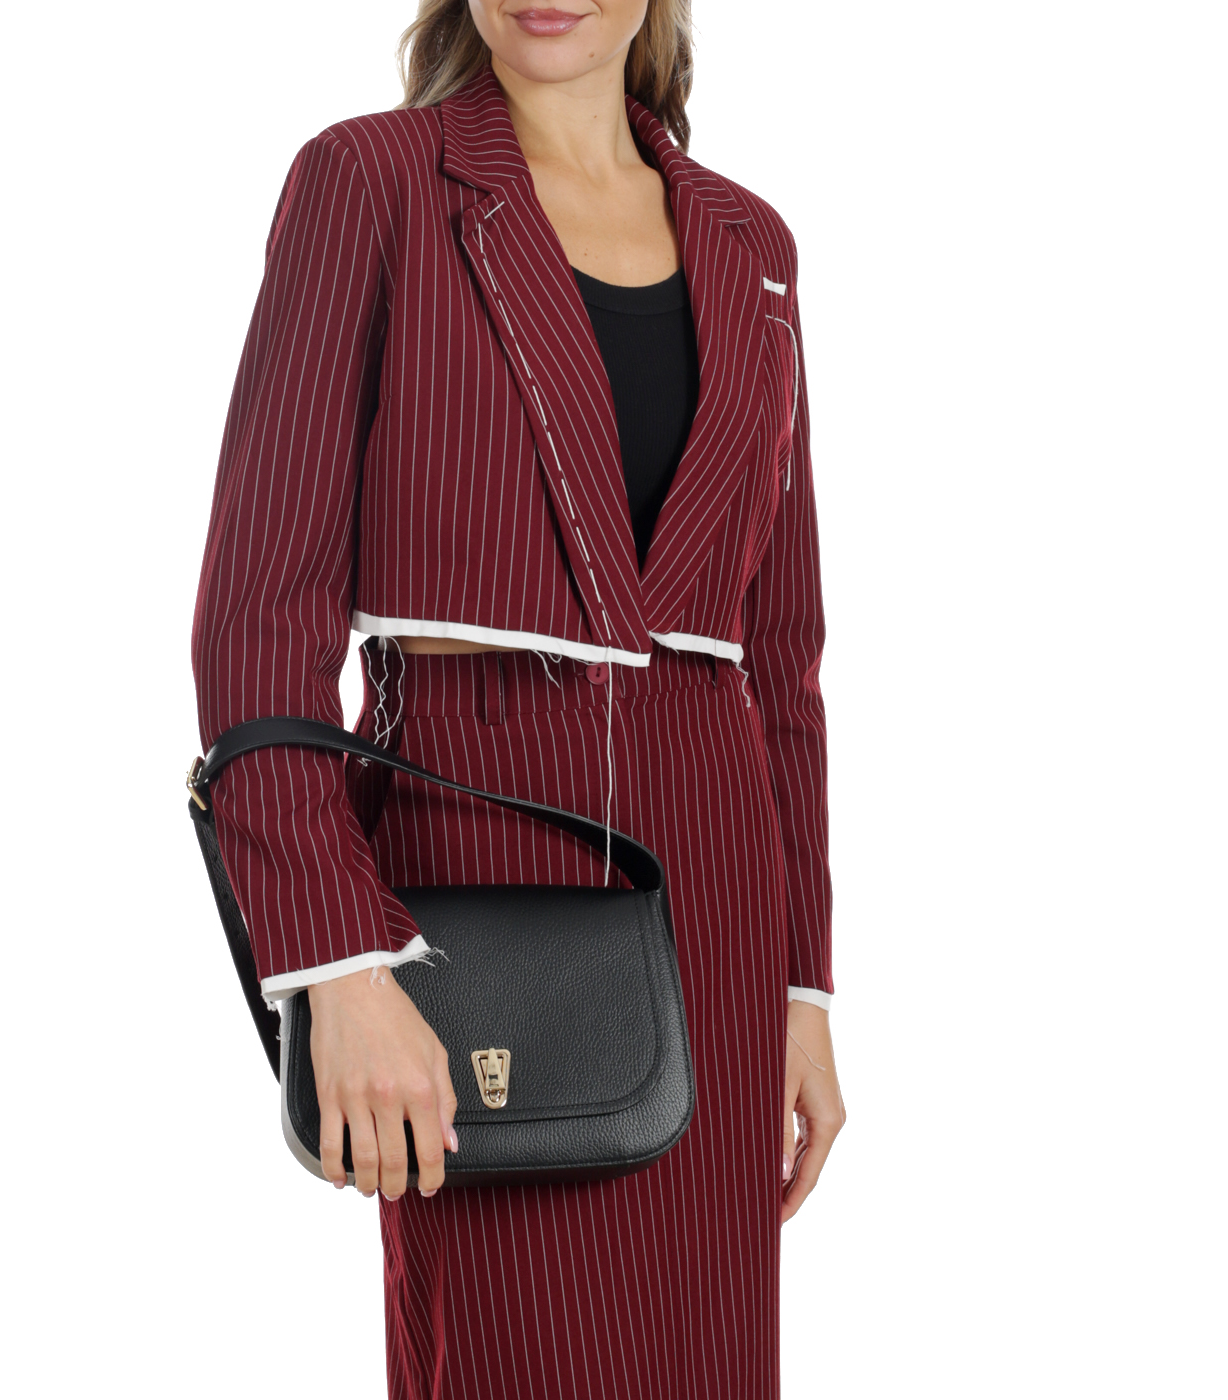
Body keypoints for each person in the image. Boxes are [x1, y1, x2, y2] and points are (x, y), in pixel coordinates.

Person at [191, 2, 845, 1394]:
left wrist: (802, 984)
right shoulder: (369, 182)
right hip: (469, 865)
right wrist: (335, 959)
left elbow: (781, 658)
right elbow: (260, 610)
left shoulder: (754, 245)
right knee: (502, 1355)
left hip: (717, 879)